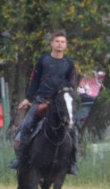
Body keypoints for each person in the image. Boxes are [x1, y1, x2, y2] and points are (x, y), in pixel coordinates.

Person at [8, 31, 79, 175]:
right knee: (26, 128)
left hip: (60, 104)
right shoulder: (43, 60)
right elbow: (34, 81)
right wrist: (28, 99)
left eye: (62, 42)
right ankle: (22, 160)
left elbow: (71, 83)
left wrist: (64, 92)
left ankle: (72, 163)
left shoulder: (69, 63)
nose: (59, 44)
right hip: (41, 101)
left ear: (65, 45)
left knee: (73, 131)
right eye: (57, 41)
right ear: (52, 43)